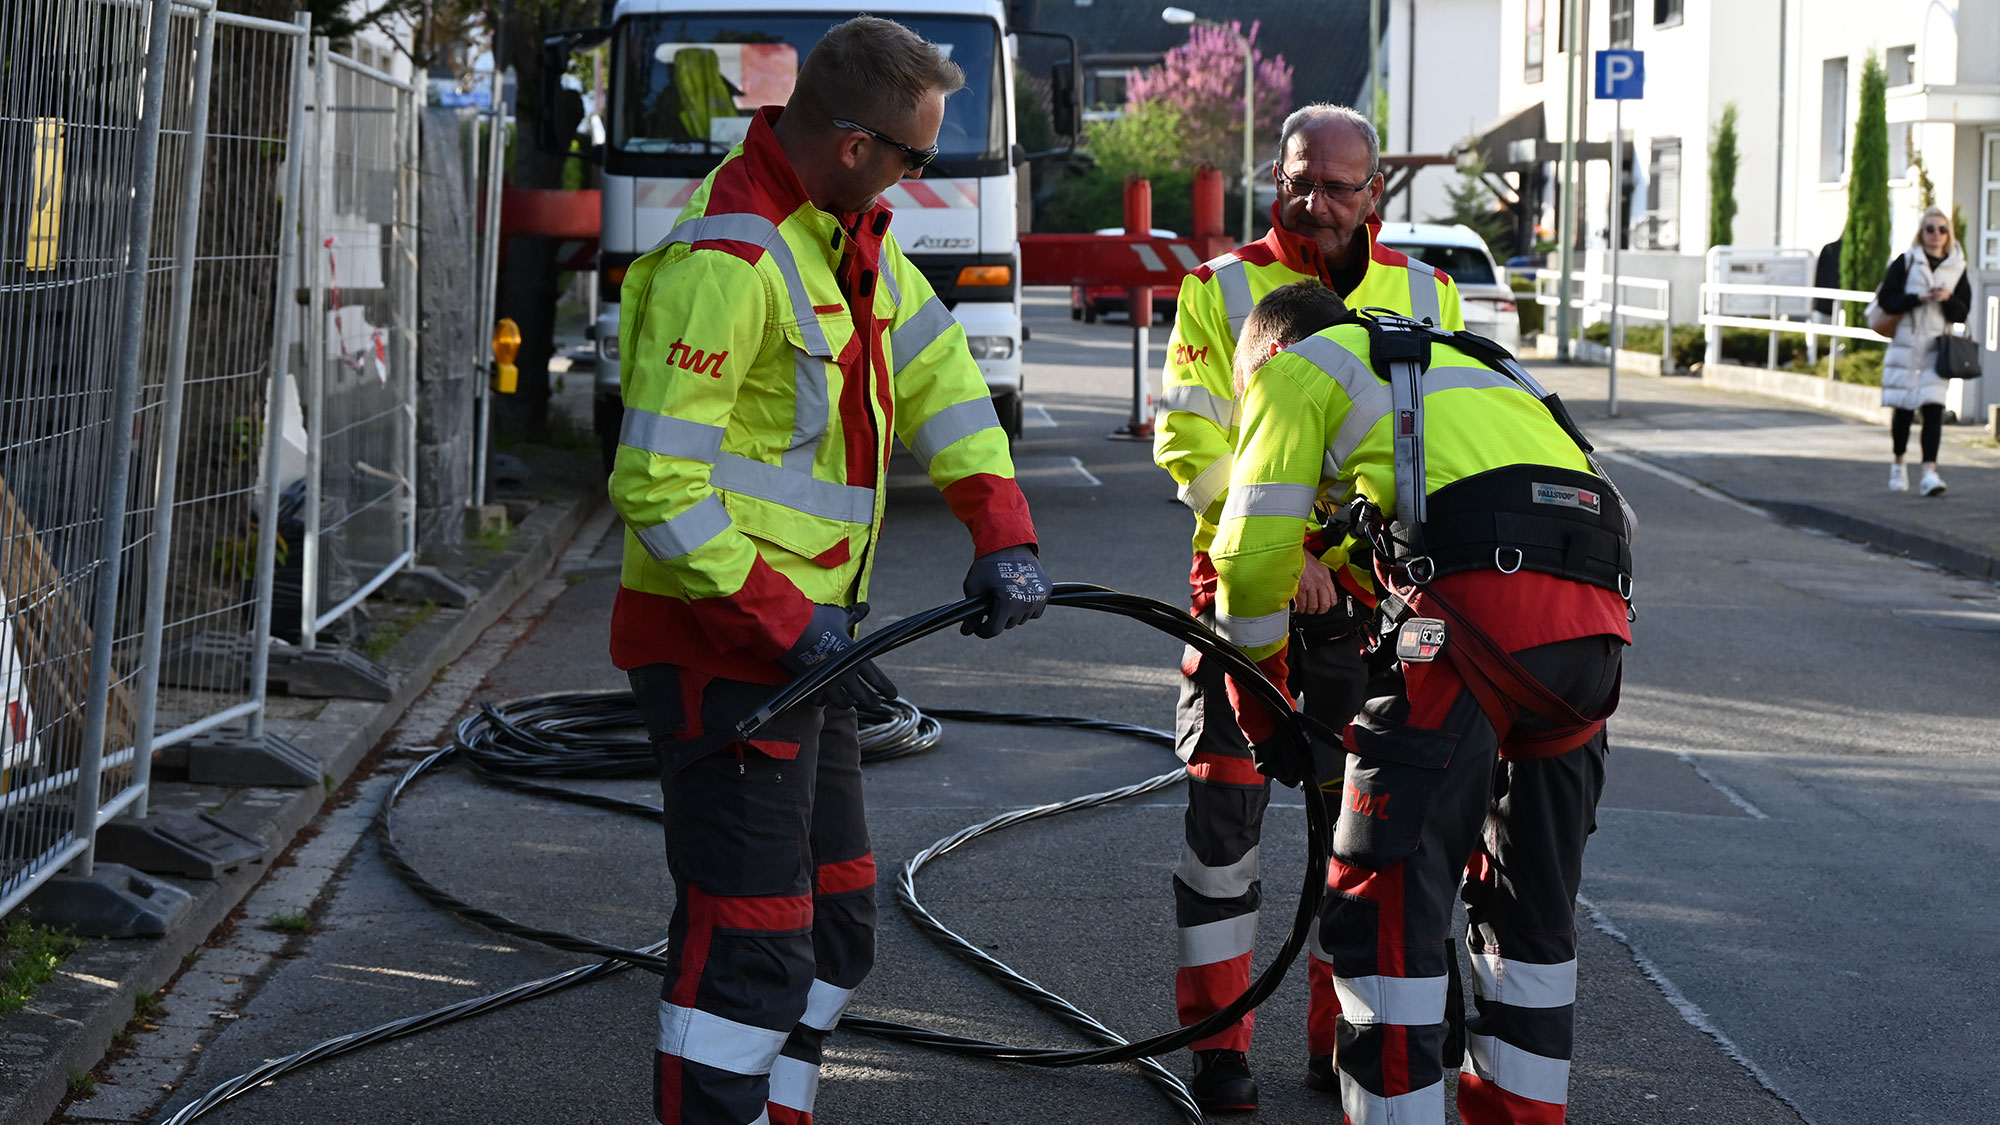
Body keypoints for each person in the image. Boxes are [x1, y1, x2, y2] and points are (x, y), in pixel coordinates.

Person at [607, 17, 1051, 1125]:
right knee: (748, 950)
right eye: (915, 156)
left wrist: (1002, 531)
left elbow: (942, 374)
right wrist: (784, 622)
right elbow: (656, 483)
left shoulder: (848, 239)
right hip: (725, 653)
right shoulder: (731, 257)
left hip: (806, 649)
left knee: (837, 929)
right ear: (853, 143)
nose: (922, 175)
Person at [1213, 281, 1632, 1124]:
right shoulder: (1467, 363)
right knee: (1530, 918)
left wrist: (1267, 717)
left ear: (1263, 358)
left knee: (1383, 903)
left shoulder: (1292, 372)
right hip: (1593, 629)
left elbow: (1249, 564)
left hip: (1477, 618)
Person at [1151, 102, 1464, 1111]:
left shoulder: (1427, 293)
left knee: (1361, 837)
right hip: (1245, 586)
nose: (1315, 203)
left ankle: (1342, 1042)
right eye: (1298, 182)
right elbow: (1188, 444)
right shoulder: (1218, 288)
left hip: (1372, 605)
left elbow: (1428, 451)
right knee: (1224, 823)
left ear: (1375, 192)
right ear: (1271, 180)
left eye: (1337, 186)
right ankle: (1215, 1045)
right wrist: (1280, 558)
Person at [1877, 206, 1971, 497]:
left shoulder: (1957, 267)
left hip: (1935, 347)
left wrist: (1946, 299)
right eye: (1930, 228)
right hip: (1906, 343)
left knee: (1933, 408)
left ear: (1949, 234)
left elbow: (1962, 312)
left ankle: (1930, 471)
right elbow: (1887, 300)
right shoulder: (1906, 262)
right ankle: (1898, 462)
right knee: (1903, 410)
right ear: (1922, 232)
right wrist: (1917, 298)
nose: (1936, 235)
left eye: (1942, 229)